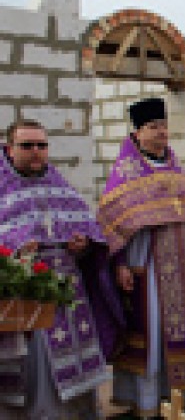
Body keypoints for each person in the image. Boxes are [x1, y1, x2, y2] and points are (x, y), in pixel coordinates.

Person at [97, 98, 185, 417]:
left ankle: (180, 398)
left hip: (184, 264)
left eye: (163, 126)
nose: (161, 132)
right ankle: (149, 402)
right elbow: (112, 222)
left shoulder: (179, 170)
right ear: (136, 133)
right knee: (151, 336)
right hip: (147, 267)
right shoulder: (125, 171)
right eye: (153, 127)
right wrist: (120, 262)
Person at [0, 120, 109, 419]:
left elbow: (90, 234)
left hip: (69, 295)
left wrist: (81, 245)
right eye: (27, 146)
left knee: (72, 373)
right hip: (25, 298)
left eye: (42, 145)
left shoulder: (60, 184)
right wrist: (14, 254)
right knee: (36, 373)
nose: (36, 152)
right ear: (10, 150)